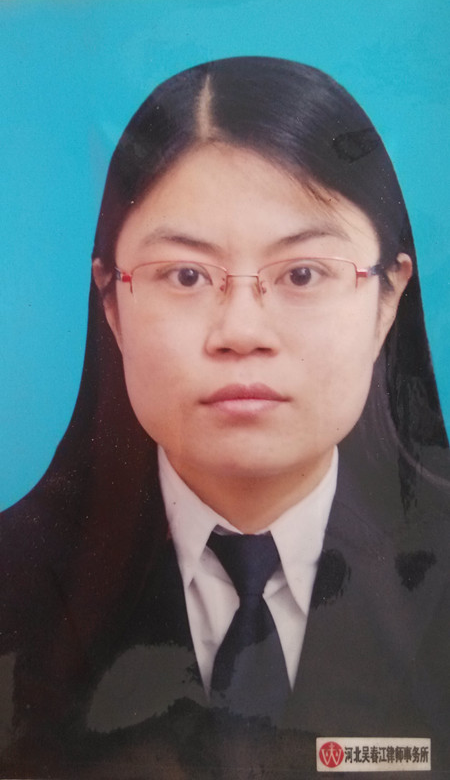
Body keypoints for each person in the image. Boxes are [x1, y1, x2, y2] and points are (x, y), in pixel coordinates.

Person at [1, 56, 449, 779]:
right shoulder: (12, 582)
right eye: (186, 275)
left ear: (388, 298)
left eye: (302, 273)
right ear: (111, 302)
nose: (241, 331)